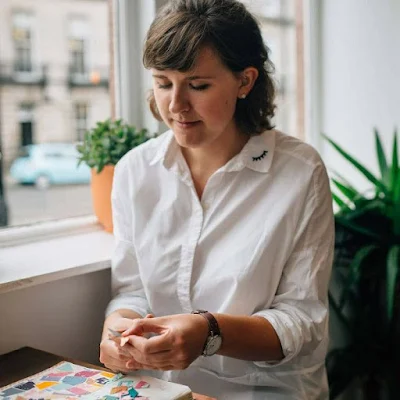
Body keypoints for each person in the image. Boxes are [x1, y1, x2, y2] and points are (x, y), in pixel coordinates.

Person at [99, 0, 334, 399]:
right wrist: (117, 331)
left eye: (198, 85)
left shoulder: (300, 172)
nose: (175, 106)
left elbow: (303, 321)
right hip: (161, 389)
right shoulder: (134, 171)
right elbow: (133, 292)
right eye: (162, 82)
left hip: (264, 389)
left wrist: (211, 333)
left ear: (245, 81)